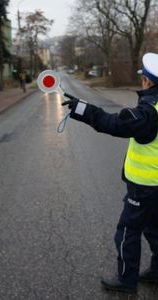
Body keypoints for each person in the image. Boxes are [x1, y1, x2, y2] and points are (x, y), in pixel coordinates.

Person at [62, 52, 158, 293]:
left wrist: (82, 110)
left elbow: (117, 124)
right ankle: (157, 272)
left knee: (128, 230)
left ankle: (126, 281)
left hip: (145, 185)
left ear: (147, 81)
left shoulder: (149, 110)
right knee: (155, 228)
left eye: (143, 79)